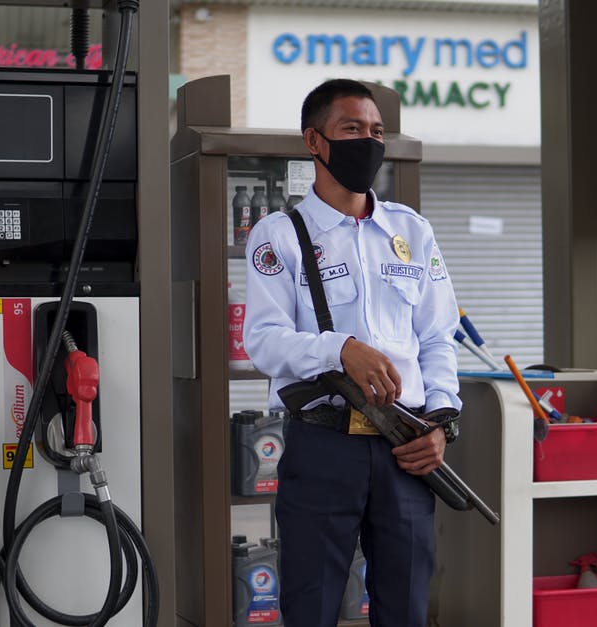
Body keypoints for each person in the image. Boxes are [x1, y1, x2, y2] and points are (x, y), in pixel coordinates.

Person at [242, 79, 461, 627]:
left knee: (406, 609)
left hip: (406, 451)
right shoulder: (281, 235)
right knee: (311, 606)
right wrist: (341, 350)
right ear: (315, 142)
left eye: (377, 131)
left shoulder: (411, 231)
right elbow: (263, 341)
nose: (369, 140)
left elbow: (438, 337)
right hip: (324, 446)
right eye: (352, 129)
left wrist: (441, 423)